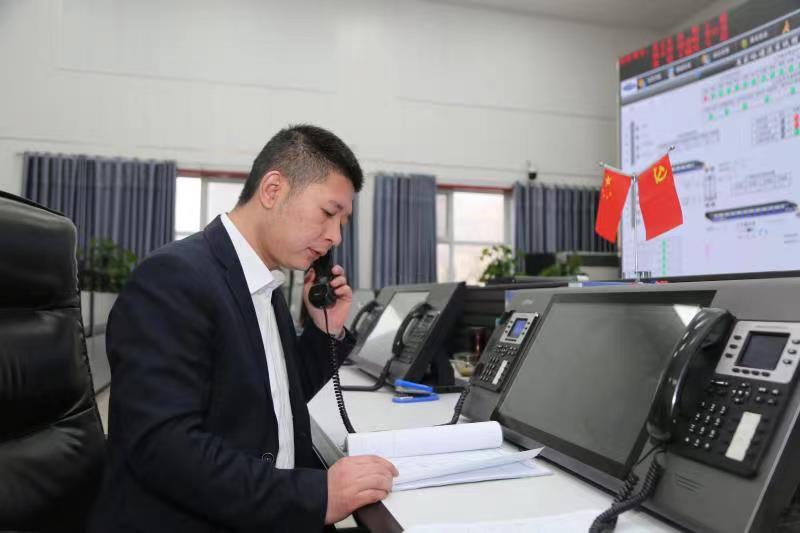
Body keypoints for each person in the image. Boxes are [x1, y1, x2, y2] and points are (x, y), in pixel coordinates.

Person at [90, 125, 398, 532]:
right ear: (272, 190)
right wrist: (317, 495)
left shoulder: (264, 287)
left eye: (343, 222)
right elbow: (164, 450)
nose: (335, 237)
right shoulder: (173, 278)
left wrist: (325, 331)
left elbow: (274, 401)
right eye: (329, 213)